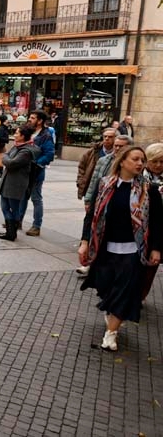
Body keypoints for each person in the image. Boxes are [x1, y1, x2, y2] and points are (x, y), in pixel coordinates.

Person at [78, 146, 161, 352]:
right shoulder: (105, 184)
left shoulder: (149, 189)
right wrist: (85, 241)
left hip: (134, 250)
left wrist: (156, 249)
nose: (140, 163)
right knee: (106, 287)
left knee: (124, 291)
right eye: (135, 159)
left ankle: (111, 334)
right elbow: (92, 216)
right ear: (122, 161)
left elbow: (159, 223)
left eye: (142, 160)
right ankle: (112, 311)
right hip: (105, 248)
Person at [77, 134, 133, 277]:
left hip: (116, 204)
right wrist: (88, 199)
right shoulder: (104, 160)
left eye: (122, 146)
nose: (118, 148)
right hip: (100, 199)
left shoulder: (130, 164)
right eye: (116, 145)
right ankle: (90, 263)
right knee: (94, 229)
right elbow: (95, 180)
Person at [0, 126, 40, 241]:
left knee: (14, 208)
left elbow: (11, 163)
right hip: (8, 182)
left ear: (22, 136)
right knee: (4, 206)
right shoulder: (17, 146)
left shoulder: (26, 151)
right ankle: (10, 232)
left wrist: (4, 159)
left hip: (16, 184)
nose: (14, 135)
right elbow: (7, 156)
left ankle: (11, 233)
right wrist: (6, 158)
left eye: (17, 133)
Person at [18, 110, 55, 236]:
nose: (30, 120)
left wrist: (36, 163)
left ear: (40, 121)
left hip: (36, 172)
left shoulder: (46, 135)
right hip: (24, 171)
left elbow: (49, 154)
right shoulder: (29, 132)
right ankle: (18, 221)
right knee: (23, 197)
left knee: (36, 198)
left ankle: (36, 226)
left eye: (33, 118)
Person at [141, 143, 163, 301]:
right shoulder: (138, 176)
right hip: (139, 229)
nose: (158, 165)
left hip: (158, 232)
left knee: (150, 268)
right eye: (155, 161)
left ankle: (140, 296)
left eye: (162, 161)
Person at [77, 128, 116, 200]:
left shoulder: (118, 154)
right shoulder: (92, 152)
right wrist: (80, 182)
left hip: (108, 189)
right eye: (105, 136)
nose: (107, 139)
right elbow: (81, 167)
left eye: (110, 137)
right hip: (92, 187)